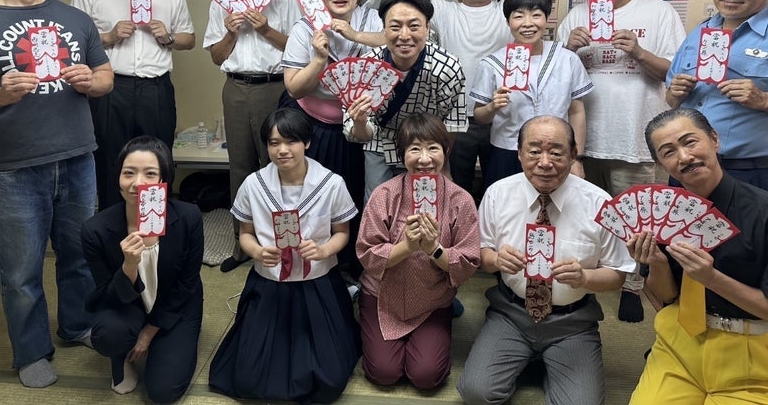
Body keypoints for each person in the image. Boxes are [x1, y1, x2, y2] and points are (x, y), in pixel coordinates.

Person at [0, 0, 114, 387]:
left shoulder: (74, 18)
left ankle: (77, 325)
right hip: (12, 169)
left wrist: (90, 82)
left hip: (78, 158)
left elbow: (105, 76)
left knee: (79, 256)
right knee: (20, 271)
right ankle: (32, 351)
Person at [458, 115, 636, 405]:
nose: (544, 162)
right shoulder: (498, 194)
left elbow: (618, 274)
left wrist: (585, 277)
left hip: (572, 322)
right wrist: (496, 260)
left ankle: (545, 362)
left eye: (556, 152)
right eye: (534, 151)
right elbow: (480, 255)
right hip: (511, 314)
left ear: (573, 154)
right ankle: (531, 358)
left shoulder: (600, 204)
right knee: (476, 392)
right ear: (519, 153)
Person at [557, 0, 686, 322]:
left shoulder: (659, 13)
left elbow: (677, 74)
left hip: (635, 139)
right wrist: (568, 49)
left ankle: (633, 284)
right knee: (586, 216)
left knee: (637, 220)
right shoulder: (576, 15)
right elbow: (553, 76)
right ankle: (591, 278)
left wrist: (639, 51)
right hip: (584, 140)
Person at [208, 108, 360, 403]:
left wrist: (323, 250)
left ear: (307, 142)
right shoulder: (254, 184)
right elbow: (245, 234)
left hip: (317, 284)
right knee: (248, 379)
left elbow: (342, 233)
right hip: (269, 284)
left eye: (291, 141)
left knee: (327, 380)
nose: (282, 150)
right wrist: (257, 251)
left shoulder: (331, 183)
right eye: (274, 143)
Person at [627, 108, 768, 404]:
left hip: (755, 350)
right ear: (660, 163)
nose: (684, 157)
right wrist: (657, 263)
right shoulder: (660, 212)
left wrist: (711, 278)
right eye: (669, 152)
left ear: (715, 140)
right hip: (679, 343)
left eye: (690, 142)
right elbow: (667, 296)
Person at [401, 0, 561, 198]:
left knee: (502, 189)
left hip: (502, 117)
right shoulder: (445, 10)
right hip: (455, 118)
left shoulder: (509, 12)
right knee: (455, 188)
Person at [72, 0, 195, 211]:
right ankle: (113, 231)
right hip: (110, 89)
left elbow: (189, 39)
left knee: (158, 161)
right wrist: (108, 37)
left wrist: (167, 37)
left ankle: (154, 230)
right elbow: (74, 42)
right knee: (110, 162)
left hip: (156, 89)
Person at [203, 0, 300, 272]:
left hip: (275, 87)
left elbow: (299, 49)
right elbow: (216, 57)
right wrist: (231, 33)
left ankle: (284, 244)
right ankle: (242, 243)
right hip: (235, 89)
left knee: (279, 165)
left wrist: (266, 29)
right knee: (240, 168)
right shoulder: (221, 0)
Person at [356, 113, 480, 389]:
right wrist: (408, 246)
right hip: (382, 295)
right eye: (415, 149)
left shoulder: (460, 199)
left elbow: (468, 260)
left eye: (433, 148)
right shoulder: (384, 194)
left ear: (445, 152)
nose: (424, 159)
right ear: (402, 155)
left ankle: (433, 333)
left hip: (432, 299)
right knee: (384, 373)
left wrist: (434, 249)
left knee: (426, 376)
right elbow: (367, 252)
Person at [81, 136, 203, 402]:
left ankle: (155, 339)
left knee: (163, 392)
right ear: (118, 178)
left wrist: (148, 333)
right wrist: (129, 265)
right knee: (108, 335)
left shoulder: (189, 218)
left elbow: (187, 283)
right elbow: (106, 295)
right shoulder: (95, 230)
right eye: (128, 173)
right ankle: (121, 356)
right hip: (127, 305)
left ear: (164, 178)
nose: (138, 183)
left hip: (175, 304)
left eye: (150, 174)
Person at [282, 0, 384, 273]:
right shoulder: (304, 28)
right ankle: (308, 259)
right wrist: (317, 59)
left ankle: (349, 266)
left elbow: (395, 42)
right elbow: (294, 88)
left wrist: (355, 35)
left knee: (351, 194)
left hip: (358, 124)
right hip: (311, 124)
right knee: (311, 194)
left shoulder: (372, 20)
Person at [667, 0, 768, 193]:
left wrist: (763, 100)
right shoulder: (699, 32)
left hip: (746, 173)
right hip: (687, 169)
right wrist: (676, 93)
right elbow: (670, 100)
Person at [344, 0, 468, 201]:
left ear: (427, 28)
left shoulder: (447, 68)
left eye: (414, 26)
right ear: (384, 29)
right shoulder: (365, 68)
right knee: (378, 204)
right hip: (381, 142)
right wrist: (360, 123)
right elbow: (359, 133)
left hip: (427, 145)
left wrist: (440, 161)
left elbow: (452, 124)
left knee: (431, 205)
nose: (404, 35)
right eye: (395, 27)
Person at [471, 0, 593, 186]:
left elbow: (576, 111)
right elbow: (479, 116)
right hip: (507, 150)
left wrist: (577, 158)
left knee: (554, 205)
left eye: (536, 15)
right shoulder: (492, 63)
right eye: (518, 16)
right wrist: (493, 106)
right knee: (506, 204)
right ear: (508, 21)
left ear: (546, 18)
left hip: (556, 152)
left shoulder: (566, 59)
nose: (528, 24)